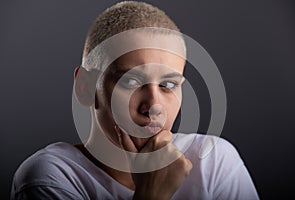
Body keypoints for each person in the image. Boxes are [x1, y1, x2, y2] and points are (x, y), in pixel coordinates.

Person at [11, 1, 259, 199]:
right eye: (130, 82)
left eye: (168, 85)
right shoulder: (51, 178)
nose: (153, 106)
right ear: (86, 88)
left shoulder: (213, 163)